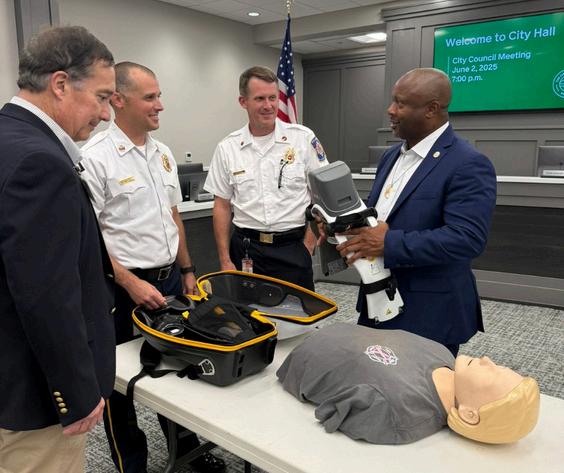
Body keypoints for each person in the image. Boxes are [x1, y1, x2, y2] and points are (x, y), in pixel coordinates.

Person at [80, 62, 224, 473]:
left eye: (159, 95)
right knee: (119, 382)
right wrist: (129, 282)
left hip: (170, 281)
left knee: (177, 368)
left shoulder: (162, 153)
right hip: (120, 289)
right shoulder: (95, 158)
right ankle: (132, 464)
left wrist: (189, 270)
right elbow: (89, 237)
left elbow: (172, 217)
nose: (160, 105)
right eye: (150, 97)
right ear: (118, 100)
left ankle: (188, 450)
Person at [0, 26, 116, 473]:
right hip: (33, 395)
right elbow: (47, 296)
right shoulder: (40, 161)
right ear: (61, 83)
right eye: (102, 97)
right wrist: (76, 394)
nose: (105, 113)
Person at [332, 68, 497, 356]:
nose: (390, 110)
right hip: (378, 301)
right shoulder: (390, 156)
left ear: (431, 109)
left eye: (400, 103)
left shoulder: (468, 163)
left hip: (429, 313)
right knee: (371, 375)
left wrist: (389, 242)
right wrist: (342, 226)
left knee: (421, 385)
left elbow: (467, 239)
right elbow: (381, 216)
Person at [277, 323, 540, 445]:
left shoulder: (397, 412)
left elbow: (329, 415)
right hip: (318, 331)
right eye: (500, 366)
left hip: (301, 357)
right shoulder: (442, 355)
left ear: (470, 414)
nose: (487, 360)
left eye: (492, 375)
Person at [204, 66, 328, 291]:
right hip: (246, 251)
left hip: (292, 248)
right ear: (243, 102)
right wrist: (224, 259)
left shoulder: (302, 139)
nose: (268, 105)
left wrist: (309, 242)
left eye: (273, 97)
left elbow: (320, 195)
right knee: (246, 312)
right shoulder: (228, 148)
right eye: (260, 98)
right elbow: (221, 205)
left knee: (297, 312)